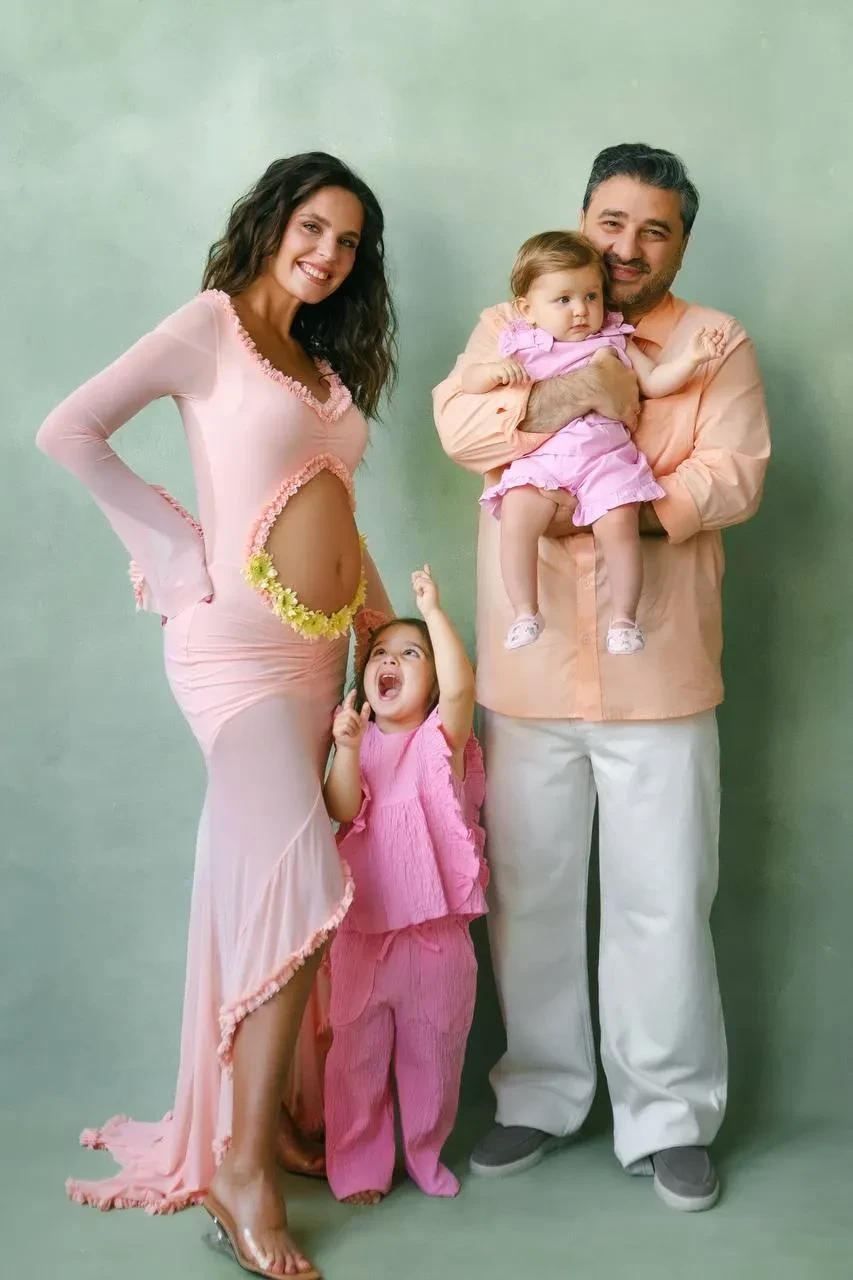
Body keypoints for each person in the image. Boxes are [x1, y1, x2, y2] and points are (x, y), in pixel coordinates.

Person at [37, 151, 396, 1278]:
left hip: (321, 654)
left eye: (348, 241)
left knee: (285, 878)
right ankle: (239, 1169)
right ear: (273, 220)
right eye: (313, 226)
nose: (327, 252)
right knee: (297, 872)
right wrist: (172, 547)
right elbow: (68, 430)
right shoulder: (209, 328)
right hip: (232, 653)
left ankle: (266, 1116)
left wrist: (385, 626)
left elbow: (337, 509)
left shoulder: (320, 364)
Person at [433, 143, 770, 1212]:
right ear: (583, 219)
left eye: (653, 229)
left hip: (657, 668)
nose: (626, 247)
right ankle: (538, 1095)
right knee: (528, 894)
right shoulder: (511, 319)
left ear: (679, 244)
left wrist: (606, 502)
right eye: (611, 222)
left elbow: (733, 473)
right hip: (528, 672)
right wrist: (583, 392)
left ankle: (667, 1115)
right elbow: (460, 426)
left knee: (661, 898)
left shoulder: (714, 342)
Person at [468, 229, 725, 653]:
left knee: (620, 523)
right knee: (516, 514)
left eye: (591, 296)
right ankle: (524, 611)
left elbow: (655, 382)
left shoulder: (613, 338)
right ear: (527, 309)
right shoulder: (521, 343)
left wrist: (692, 358)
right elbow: (469, 384)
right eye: (563, 300)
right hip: (544, 461)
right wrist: (492, 373)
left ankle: (624, 619)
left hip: (605, 458)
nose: (580, 310)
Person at [322, 566, 486, 1205]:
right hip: (363, 937)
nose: (390, 661)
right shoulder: (358, 743)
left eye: (411, 654)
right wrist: (344, 749)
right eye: (380, 654)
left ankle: (424, 1152)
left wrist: (432, 610)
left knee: (434, 1053)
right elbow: (341, 808)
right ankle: (359, 1166)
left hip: (434, 940)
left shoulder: (440, 741)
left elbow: (463, 684)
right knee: (354, 1058)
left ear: (434, 684)